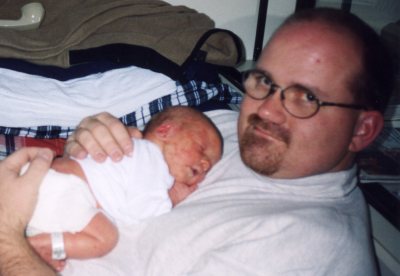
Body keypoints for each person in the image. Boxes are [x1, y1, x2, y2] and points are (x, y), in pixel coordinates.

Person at [0, 7, 395, 275]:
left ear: (362, 129)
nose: (266, 111)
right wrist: (88, 144)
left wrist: (8, 243)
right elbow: (127, 148)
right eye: (265, 82)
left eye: (305, 97)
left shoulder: (306, 249)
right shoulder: (229, 126)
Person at [25, 106, 223, 271]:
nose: (205, 163)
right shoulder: (152, 160)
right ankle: (43, 246)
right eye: (201, 148)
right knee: (105, 238)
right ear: (165, 131)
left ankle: (36, 240)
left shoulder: (133, 149)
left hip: (45, 183)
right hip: (64, 189)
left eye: (210, 165)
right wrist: (173, 197)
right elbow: (144, 210)